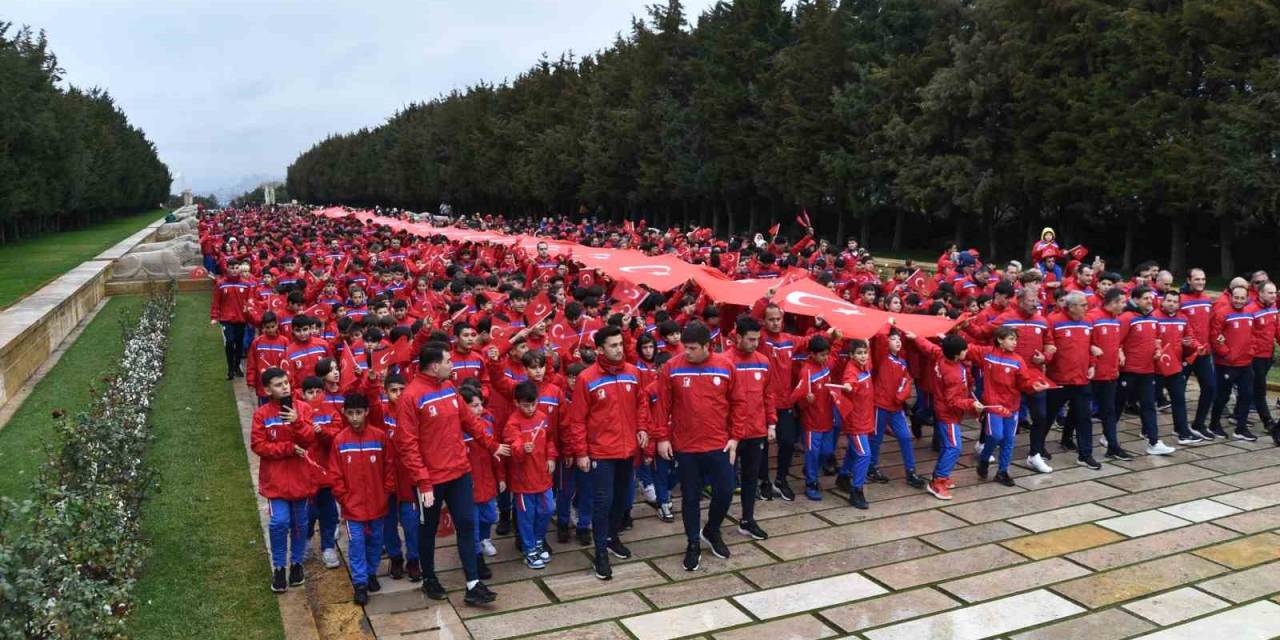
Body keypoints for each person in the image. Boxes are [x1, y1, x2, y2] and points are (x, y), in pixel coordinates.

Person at [394, 343, 511, 606]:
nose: (452, 364)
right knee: (428, 529)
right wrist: (422, 481)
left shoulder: (448, 388)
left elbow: (470, 422)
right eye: (448, 360)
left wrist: (491, 446)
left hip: (459, 472)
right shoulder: (411, 397)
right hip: (430, 481)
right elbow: (407, 444)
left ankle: (473, 583)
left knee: (467, 526)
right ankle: (429, 578)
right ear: (434, 365)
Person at [652, 321, 743, 571]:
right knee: (690, 497)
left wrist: (735, 437)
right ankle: (692, 543)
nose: (687, 352)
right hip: (686, 445)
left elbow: (738, 403)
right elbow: (662, 406)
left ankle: (712, 530)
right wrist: (662, 438)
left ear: (707, 346)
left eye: (692, 348)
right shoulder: (672, 367)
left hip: (719, 443)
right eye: (685, 347)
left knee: (725, 490)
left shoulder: (725, 367)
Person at [563, 325, 652, 581]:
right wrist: (581, 452)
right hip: (601, 452)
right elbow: (577, 420)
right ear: (600, 349)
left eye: (620, 344)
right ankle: (600, 552)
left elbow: (642, 404)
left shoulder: (633, 373)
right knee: (602, 502)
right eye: (613, 345)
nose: (618, 349)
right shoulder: (587, 378)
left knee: (623, 499)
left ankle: (613, 537)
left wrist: (643, 428)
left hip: (627, 450)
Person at [250, 367, 315, 593]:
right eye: (278, 384)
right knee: (279, 523)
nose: (285, 387)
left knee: (300, 524)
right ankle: (279, 567)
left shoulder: (304, 409)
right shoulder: (262, 414)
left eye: (286, 382)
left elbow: (309, 440)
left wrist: (297, 422)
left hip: (300, 480)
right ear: (267, 390)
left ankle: (296, 564)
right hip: (275, 482)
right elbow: (258, 445)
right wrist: (287, 448)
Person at [327, 393, 395, 605]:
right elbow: (334, 473)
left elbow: (389, 467)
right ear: (344, 414)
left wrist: (385, 492)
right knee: (356, 543)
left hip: (378, 504)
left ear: (366, 412)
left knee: (375, 541)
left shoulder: (379, 437)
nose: (355, 417)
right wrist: (343, 497)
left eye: (358, 413)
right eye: (350, 413)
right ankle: (360, 583)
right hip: (352, 507)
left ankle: (371, 572)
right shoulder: (340, 441)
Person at [968, 327, 1053, 485]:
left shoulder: (1018, 360)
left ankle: (1002, 472)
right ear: (1000, 340)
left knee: (1008, 440)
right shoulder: (987, 353)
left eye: (1015, 339)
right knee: (995, 436)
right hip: (993, 405)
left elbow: (1024, 381)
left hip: (1012, 406)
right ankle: (984, 459)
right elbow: (964, 349)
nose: (1015, 342)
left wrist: (1033, 386)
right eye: (1011, 339)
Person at [911, 333, 983, 500]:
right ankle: (937, 481)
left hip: (944, 410)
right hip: (948, 414)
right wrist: (971, 404)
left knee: (947, 445)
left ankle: (941, 474)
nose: (967, 351)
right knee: (954, 447)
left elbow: (928, 346)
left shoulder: (941, 356)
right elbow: (953, 400)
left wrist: (916, 337)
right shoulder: (953, 373)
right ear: (957, 353)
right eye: (964, 350)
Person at [725, 315, 775, 539]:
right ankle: (714, 524)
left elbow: (768, 395)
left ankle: (747, 520)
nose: (755, 344)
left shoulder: (763, 361)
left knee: (750, 478)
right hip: (730, 434)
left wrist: (771, 422)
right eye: (750, 339)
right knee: (724, 482)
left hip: (756, 431)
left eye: (757, 339)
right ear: (737, 337)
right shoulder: (724, 362)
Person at [504, 381, 558, 569]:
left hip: (543, 476)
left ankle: (538, 540)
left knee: (548, 509)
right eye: (525, 405)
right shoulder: (513, 422)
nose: (530, 409)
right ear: (516, 403)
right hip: (523, 481)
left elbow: (550, 439)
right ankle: (529, 549)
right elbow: (512, 446)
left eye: (533, 404)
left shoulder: (543, 418)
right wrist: (521, 448)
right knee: (526, 516)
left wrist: (551, 457)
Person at [1044, 291, 1100, 469]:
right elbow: (1048, 347)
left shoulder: (1088, 322)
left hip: (1082, 379)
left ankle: (1085, 454)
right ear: (1072, 306)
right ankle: (1037, 448)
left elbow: (1091, 345)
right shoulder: (1053, 321)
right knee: (1048, 416)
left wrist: (1092, 364)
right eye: (1083, 305)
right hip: (1059, 379)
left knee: (1084, 418)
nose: (1087, 307)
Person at [1118, 287, 1177, 455]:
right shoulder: (1127, 318)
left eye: (1151, 298)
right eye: (1145, 298)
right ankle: (1109, 437)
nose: (1150, 301)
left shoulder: (1152, 318)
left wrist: (1158, 350)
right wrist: (1120, 354)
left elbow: (1157, 339)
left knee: (1148, 405)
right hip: (1129, 370)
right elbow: (1118, 341)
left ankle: (1153, 441)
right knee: (1118, 405)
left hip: (1148, 370)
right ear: (1135, 300)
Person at [868, 323, 926, 488]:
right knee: (876, 438)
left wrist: (901, 396)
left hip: (896, 407)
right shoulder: (882, 358)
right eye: (893, 339)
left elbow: (906, 381)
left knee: (906, 437)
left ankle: (911, 471)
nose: (897, 342)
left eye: (899, 339)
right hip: (880, 405)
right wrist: (888, 324)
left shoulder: (902, 361)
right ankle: (871, 467)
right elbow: (879, 339)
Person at [791, 335, 838, 501]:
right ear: (812, 354)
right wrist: (805, 399)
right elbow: (796, 397)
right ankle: (811, 483)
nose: (825, 357)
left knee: (827, 452)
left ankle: (811, 471)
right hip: (812, 423)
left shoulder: (826, 364)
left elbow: (836, 354)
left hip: (827, 419)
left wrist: (837, 338)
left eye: (826, 354)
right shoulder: (806, 371)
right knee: (812, 453)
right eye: (822, 355)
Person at [1210, 285, 1258, 441]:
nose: (1238, 301)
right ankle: (1214, 424)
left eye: (1242, 298)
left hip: (1245, 363)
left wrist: (1252, 350)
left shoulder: (1250, 313)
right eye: (1236, 297)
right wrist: (1226, 354)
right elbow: (1215, 336)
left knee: (1246, 395)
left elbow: (1254, 334)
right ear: (1231, 297)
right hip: (1226, 364)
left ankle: (1241, 428)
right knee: (1222, 396)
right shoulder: (1222, 313)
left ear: (1246, 299)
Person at [834, 339, 875, 508]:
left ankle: (843, 477)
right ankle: (856, 490)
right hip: (855, 423)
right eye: (859, 353)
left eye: (865, 352)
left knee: (853, 451)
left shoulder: (865, 365)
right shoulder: (851, 370)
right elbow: (848, 381)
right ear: (851, 355)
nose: (863, 356)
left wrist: (867, 342)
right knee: (864, 455)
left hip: (865, 419)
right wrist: (848, 387)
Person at [1180, 268, 1217, 437]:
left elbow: (1211, 325)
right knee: (1178, 392)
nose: (1201, 282)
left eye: (1203, 279)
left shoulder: (1207, 300)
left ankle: (1198, 424)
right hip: (1184, 354)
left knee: (1210, 387)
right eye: (1197, 279)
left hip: (1203, 353)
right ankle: (1179, 427)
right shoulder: (1181, 299)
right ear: (1189, 280)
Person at [1246, 282, 1279, 442]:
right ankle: (1268, 422)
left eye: (1275, 293)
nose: (1274, 296)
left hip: (1268, 355)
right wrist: (1252, 352)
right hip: (1256, 357)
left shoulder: (1273, 308)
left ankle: (1240, 415)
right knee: (1259, 390)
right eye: (1270, 293)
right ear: (1260, 294)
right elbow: (1247, 335)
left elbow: (1277, 329)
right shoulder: (1251, 310)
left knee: (1253, 388)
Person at [212, 260, 254, 379]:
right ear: (227, 269)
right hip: (226, 319)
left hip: (241, 319)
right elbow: (216, 302)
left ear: (239, 269)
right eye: (232, 268)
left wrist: (251, 318)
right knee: (230, 342)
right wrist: (214, 317)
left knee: (239, 343)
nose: (234, 270)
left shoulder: (246, 285)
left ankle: (237, 366)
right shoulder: (221, 284)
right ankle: (230, 369)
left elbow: (250, 304)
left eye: (236, 268)